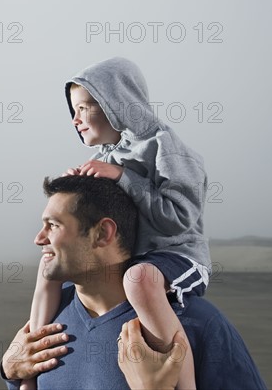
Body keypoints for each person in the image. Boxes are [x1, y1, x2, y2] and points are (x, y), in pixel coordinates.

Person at [26, 57, 211, 389]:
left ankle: (184, 383)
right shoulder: (106, 159)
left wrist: (125, 177)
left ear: (118, 102)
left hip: (177, 256)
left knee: (140, 281)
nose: (76, 120)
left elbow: (179, 219)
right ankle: (32, 359)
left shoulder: (164, 147)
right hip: (134, 256)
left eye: (84, 107)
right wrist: (79, 192)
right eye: (73, 111)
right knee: (49, 267)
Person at [0, 175, 266, 389]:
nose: (38, 238)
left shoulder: (197, 322)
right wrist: (9, 371)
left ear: (103, 233)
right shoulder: (47, 322)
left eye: (53, 225)